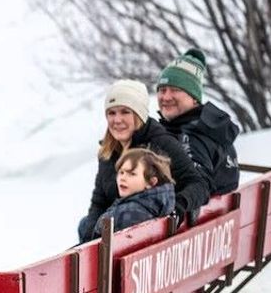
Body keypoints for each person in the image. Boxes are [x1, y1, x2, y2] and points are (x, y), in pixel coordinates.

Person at [76, 79, 208, 243]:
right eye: (111, 113)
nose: (117, 120)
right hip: (116, 234)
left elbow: (198, 184)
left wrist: (178, 207)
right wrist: (90, 240)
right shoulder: (107, 151)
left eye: (125, 112)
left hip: (148, 238)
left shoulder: (160, 143)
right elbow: (99, 201)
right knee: (84, 225)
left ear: (139, 114)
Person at [155, 48, 240, 197]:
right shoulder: (209, 126)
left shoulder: (193, 135)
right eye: (162, 90)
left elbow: (198, 183)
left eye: (175, 90)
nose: (166, 97)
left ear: (194, 97)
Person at [80, 148, 175, 241]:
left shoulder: (126, 214)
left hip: (110, 254)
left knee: (84, 225)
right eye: (121, 172)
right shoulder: (162, 204)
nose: (123, 178)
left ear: (151, 182)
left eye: (132, 174)